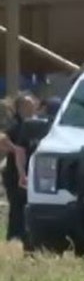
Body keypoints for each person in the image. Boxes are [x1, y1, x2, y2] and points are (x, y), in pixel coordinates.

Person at [2, 94, 38, 242]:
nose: (31, 107)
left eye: (32, 104)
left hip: (31, 171)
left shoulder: (35, 124)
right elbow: (2, 139)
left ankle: (25, 235)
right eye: (27, 105)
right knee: (17, 206)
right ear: (20, 108)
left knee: (26, 206)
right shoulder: (17, 125)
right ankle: (15, 236)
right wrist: (15, 149)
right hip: (14, 173)